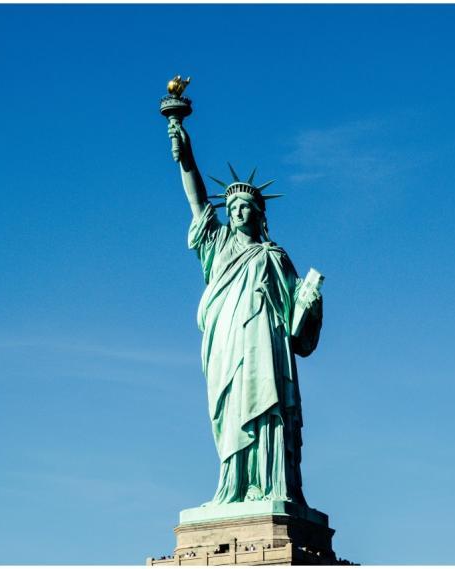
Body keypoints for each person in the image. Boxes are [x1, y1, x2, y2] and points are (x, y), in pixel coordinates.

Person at [167, 118, 322, 505]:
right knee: (231, 411)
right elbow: (197, 200)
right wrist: (185, 156)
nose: (237, 212)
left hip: (264, 346)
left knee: (265, 407)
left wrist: (309, 300)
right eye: (232, 206)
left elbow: (294, 321)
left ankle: (268, 486)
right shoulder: (216, 244)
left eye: (245, 207)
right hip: (226, 344)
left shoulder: (274, 255)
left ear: (258, 214)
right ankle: (233, 487)